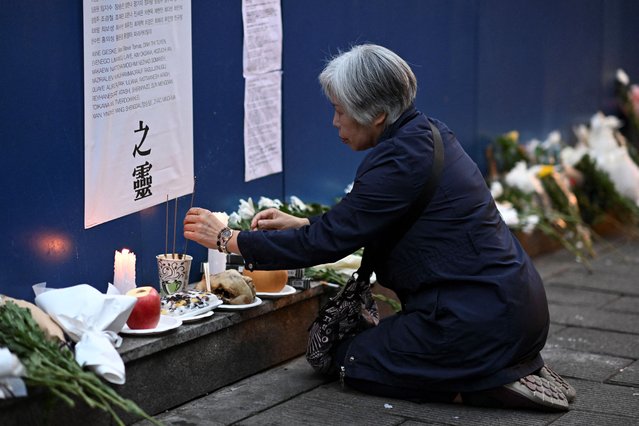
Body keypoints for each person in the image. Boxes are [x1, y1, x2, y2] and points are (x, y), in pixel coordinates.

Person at [183, 44, 576, 411]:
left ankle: (479, 381)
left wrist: (228, 240)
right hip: (510, 310)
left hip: (476, 322)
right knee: (371, 349)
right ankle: (502, 365)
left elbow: (328, 243)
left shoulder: (398, 160)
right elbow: (366, 218)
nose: (334, 121)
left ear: (377, 115)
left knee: (351, 361)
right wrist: (303, 222)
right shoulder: (428, 134)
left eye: (340, 110)